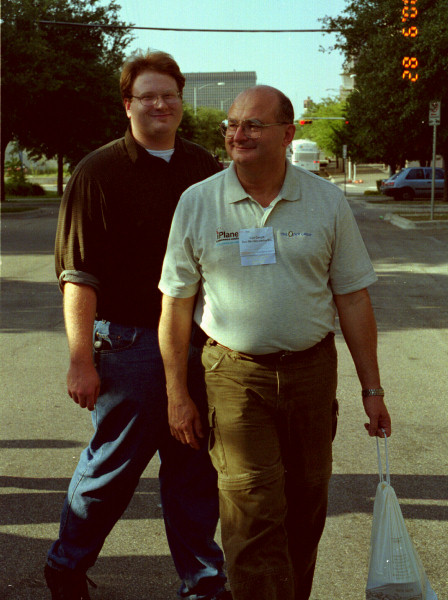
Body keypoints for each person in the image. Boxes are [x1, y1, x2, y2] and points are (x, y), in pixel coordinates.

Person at [158, 85, 392, 600]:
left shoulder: (326, 201)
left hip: (311, 373)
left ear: (288, 134)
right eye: (232, 124)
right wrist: (177, 394)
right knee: (251, 509)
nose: (237, 134)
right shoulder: (198, 202)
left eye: (253, 125)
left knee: (305, 505)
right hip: (234, 376)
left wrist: (372, 389)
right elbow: (174, 305)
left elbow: (353, 298)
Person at [45, 51, 230, 600]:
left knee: (195, 471)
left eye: (169, 95)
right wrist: (81, 359)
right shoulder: (97, 172)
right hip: (130, 345)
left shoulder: (203, 166)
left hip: (199, 341)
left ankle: (202, 581)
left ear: (181, 102)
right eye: (147, 96)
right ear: (128, 105)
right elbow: (78, 276)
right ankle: (66, 565)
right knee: (113, 469)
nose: (160, 104)